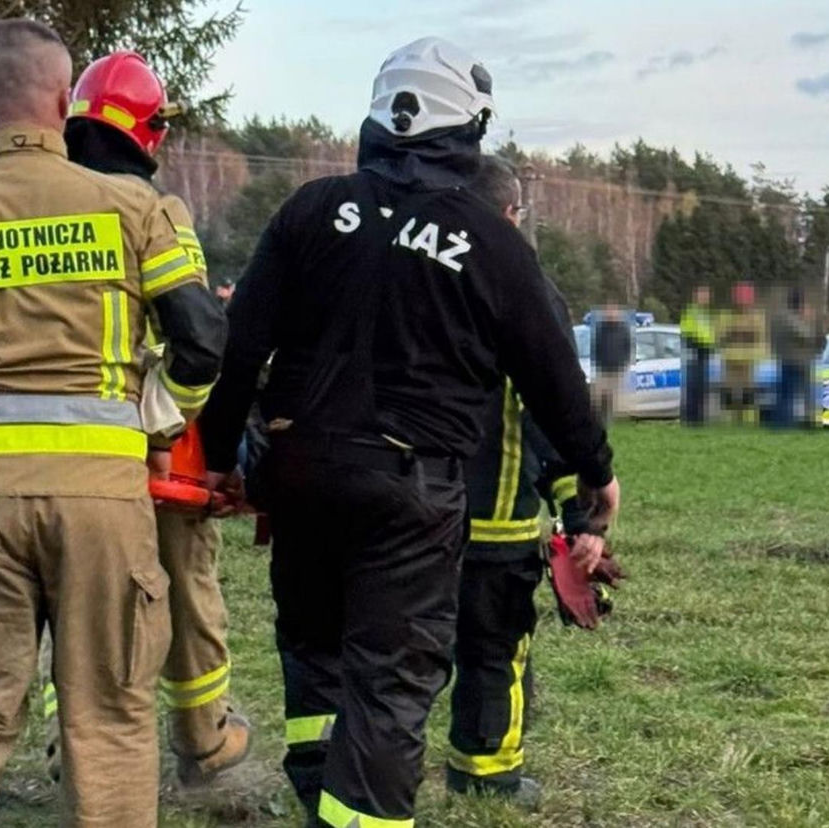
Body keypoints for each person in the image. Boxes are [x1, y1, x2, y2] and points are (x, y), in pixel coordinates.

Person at [199, 36, 619, 828]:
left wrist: (222, 457)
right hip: (409, 488)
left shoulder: (309, 211)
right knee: (392, 681)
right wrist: (595, 471)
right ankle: (353, 813)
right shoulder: (490, 240)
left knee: (317, 645)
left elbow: (239, 347)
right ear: (468, 129)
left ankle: (318, 783)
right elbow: (552, 376)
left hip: (300, 471)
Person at [0, 19, 225, 828]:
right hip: (100, 496)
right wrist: (162, 416)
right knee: (108, 714)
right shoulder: (133, 207)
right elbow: (202, 337)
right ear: (66, 103)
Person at [37, 51, 251, 788]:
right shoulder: (149, 210)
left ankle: (72, 752)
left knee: (74, 607)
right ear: (147, 131)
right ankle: (204, 740)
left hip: (50, 451)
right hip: (154, 453)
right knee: (185, 592)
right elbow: (197, 337)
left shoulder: (34, 203)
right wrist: (158, 426)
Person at [445, 155, 615, 804]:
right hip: (495, 518)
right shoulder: (529, 289)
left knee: (399, 652)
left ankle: (366, 774)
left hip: (408, 512)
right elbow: (555, 409)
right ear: (513, 213)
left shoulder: (416, 274)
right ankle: (487, 777)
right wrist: (580, 519)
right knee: (495, 651)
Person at [770, 286, 823, 428]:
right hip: (798, 361)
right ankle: (789, 423)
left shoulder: (779, 317)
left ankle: (786, 421)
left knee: (786, 393)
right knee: (794, 394)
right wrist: (809, 320)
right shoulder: (790, 318)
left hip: (787, 359)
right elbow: (807, 335)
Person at [717, 281, 767, 424]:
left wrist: (757, 356)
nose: (743, 305)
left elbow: (762, 341)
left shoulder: (757, 317)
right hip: (730, 363)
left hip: (747, 363)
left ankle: (748, 421)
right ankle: (730, 421)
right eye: (740, 301)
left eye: (745, 301)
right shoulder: (726, 316)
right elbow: (720, 338)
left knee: (748, 394)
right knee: (729, 394)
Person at [680, 284, 715, 424]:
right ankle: (691, 419)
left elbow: (711, 334)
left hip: (706, 355)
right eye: (702, 295)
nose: (704, 298)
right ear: (696, 296)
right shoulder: (691, 312)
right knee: (693, 389)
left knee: (703, 389)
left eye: (706, 295)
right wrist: (695, 345)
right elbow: (686, 332)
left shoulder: (708, 314)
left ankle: (700, 419)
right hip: (695, 354)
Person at [592, 304, 632, 426]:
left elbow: (628, 347)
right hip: (603, 369)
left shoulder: (623, 329)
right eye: (608, 312)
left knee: (612, 398)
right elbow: (596, 347)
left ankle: (608, 421)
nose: (610, 314)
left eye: (613, 312)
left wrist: (624, 362)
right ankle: (599, 420)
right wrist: (598, 363)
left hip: (617, 369)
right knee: (599, 397)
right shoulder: (601, 329)